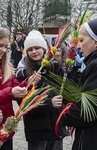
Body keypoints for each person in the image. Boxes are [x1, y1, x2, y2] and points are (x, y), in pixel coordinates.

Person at [16, 30, 67, 150]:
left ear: (44, 49)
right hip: (37, 129)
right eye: (30, 49)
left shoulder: (55, 67)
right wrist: (50, 103)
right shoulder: (23, 74)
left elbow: (63, 92)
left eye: (37, 48)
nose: (34, 52)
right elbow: (23, 105)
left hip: (56, 126)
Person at [61, 18, 97, 150]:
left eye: (81, 40)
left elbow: (87, 112)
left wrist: (62, 115)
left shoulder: (95, 66)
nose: (78, 46)